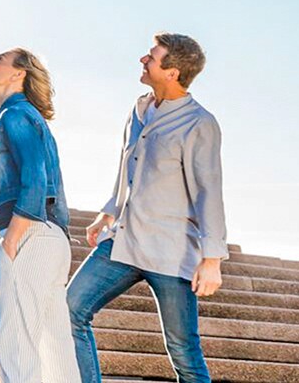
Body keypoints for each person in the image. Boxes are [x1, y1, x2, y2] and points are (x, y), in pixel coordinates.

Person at [68, 33, 227, 383]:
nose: (143, 59)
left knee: (184, 352)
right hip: (123, 240)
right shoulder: (140, 108)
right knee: (69, 311)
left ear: (172, 72)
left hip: (171, 253)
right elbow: (128, 167)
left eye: (153, 57)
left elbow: (208, 191)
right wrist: (108, 211)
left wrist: (212, 258)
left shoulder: (198, 123)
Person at [0, 48, 80, 383]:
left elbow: (34, 177)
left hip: (29, 233)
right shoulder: (27, 115)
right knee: (56, 351)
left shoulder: (15, 115)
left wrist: (13, 237)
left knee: (17, 345)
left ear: (18, 73)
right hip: (52, 238)